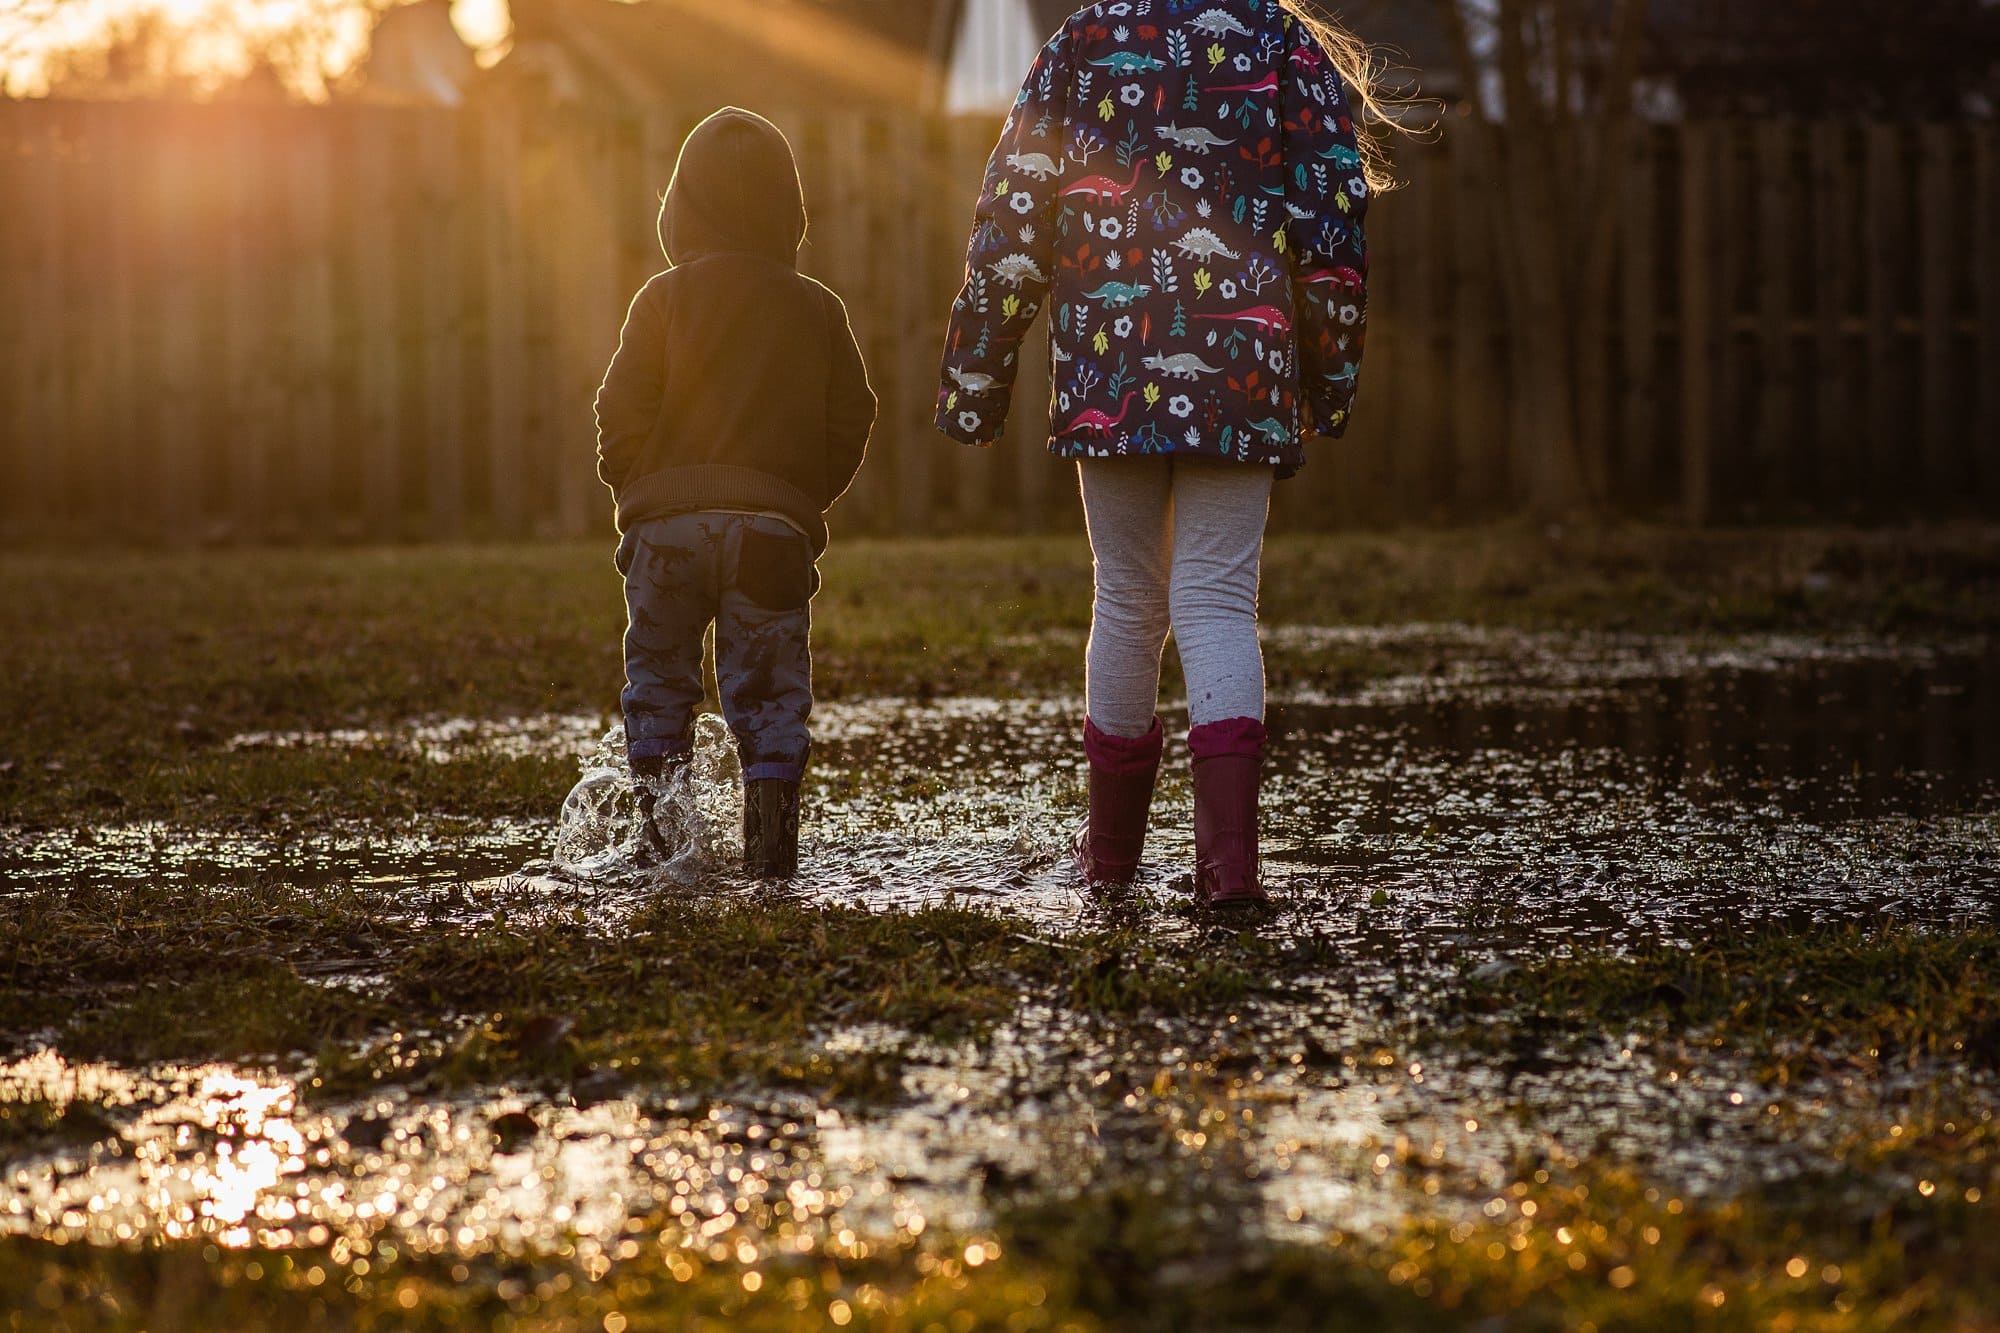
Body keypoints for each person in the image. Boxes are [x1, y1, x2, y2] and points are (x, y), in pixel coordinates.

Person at [936, 1, 1382, 906]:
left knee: (1127, 595)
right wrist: (1328, 378)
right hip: (1242, 372)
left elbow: (1013, 219)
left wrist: (976, 377)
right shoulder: (1283, 45)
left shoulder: (1083, 43)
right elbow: (1331, 229)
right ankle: (1230, 874)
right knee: (1217, 596)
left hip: (1110, 374)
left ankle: (1109, 864)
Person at [597, 106, 876, 878]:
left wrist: (643, 487)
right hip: (770, 535)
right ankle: (770, 862)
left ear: (679, 207)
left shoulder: (661, 299)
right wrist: (799, 497)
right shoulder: (817, 307)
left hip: (665, 534)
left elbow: (618, 410)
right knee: (770, 697)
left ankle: (662, 856)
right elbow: (854, 414)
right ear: (790, 212)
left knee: (658, 685)